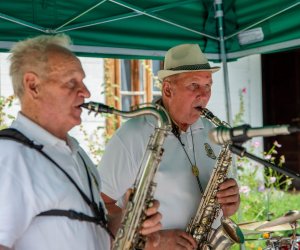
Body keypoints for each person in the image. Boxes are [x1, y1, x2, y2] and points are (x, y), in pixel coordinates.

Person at [0, 34, 162, 250]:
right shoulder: (9, 156)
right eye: (71, 82)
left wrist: (128, 224)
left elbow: (90, 230)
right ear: (33, 86)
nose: (86, 92)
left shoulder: (77, 153)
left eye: (83, 81)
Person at [99, 44, 241, 249]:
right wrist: (153, 241)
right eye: (194, 85)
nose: (204, 95)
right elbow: (100, 205)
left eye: (208, 85)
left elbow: (225, 204)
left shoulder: (214, 133)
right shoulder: (132, 135)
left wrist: (230, 204)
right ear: (167, 89)